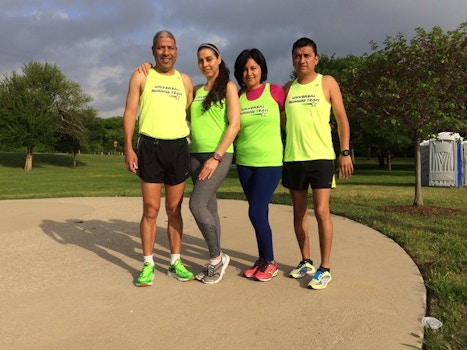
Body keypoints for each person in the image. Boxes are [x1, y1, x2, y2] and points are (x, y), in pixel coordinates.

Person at [138, 43, 240, 284]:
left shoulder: (228, 87)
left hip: (219, 155)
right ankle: (215, 255)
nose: (205, 64)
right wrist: (149, 68)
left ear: (219, 59)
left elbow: (234, 125)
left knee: (197, 204)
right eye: (201, 61)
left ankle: (217, 259)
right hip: (194, 155)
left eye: (209, 59)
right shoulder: (195, 90)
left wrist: (216, 158)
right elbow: (172, 106)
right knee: (211, 209)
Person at [123, 30, 195, 287]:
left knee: (174, 209)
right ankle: (148, 263)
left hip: (177, 148)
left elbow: (189, 110)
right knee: (150, 209)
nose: (166, 52)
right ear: (153, 50)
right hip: (149, 147)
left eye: (171, 48)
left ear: (176, 50)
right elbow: (131, 112)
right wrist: (128, 148)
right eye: (161, 48)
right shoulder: (141, 75)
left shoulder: (184, 80)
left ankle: (175, 261)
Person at [282, 37, 354, 290]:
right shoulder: (288, 88)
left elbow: (342, 118)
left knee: (322, 212)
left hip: (321, 158)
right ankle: (306, 261)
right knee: (298, 213)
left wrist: (344, 152)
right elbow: (282, 121)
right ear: (293, 59)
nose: (302, 60)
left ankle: (325, 268)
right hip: (293, 158)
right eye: (298, 55)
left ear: (316, 59)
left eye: (307, 55)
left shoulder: (326, 82)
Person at [233, 48, 286, 282]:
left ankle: (271, 261)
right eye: (244, 68)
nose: (249, 72)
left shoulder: (274, 91)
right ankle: (263, 258)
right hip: (245, 162)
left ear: (262, 69)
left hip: (270, 162)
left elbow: (291, 117)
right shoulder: (236, 96)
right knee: (260, 212)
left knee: (255, 210)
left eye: (253, 67)